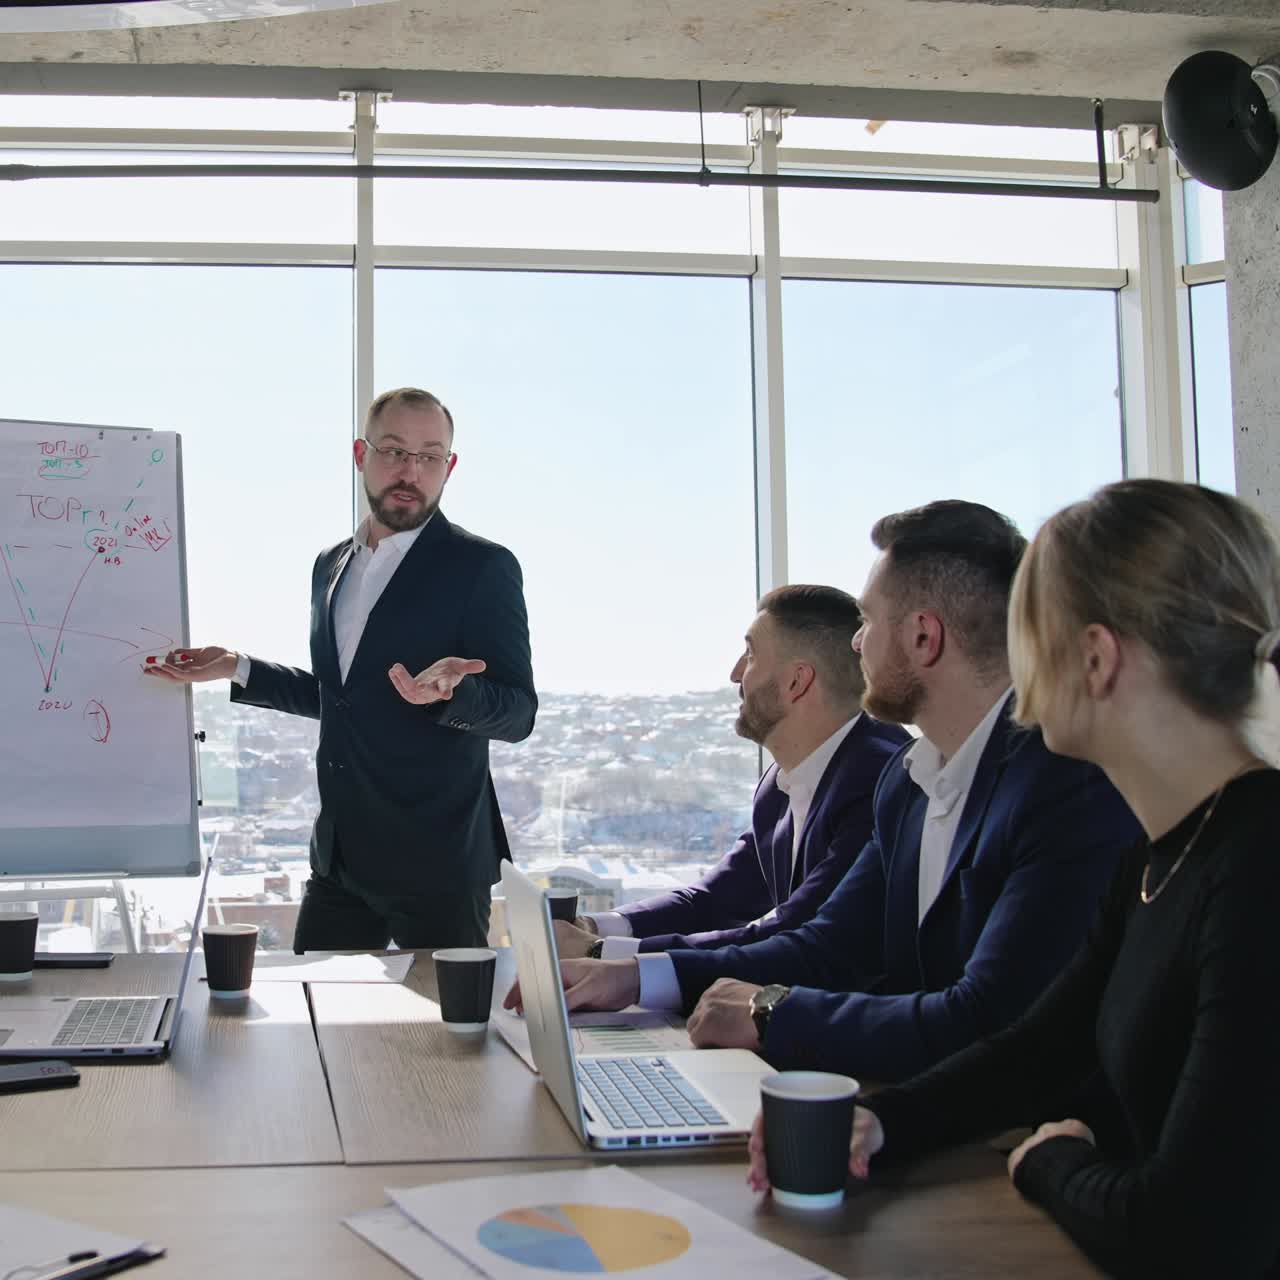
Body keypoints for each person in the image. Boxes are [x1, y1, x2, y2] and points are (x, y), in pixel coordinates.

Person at [750, 479, 1280, 1277]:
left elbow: (1180, 1226)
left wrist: (1048, 1161)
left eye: (1027, 631)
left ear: (1096, 660)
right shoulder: (1158, 854)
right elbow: (1038, 1048)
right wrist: (883, 1122)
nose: (1009, 663)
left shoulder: (1257, 870)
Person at [506, 500, 1139, 1083]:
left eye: (866, 620)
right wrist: (630, 977)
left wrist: (771, 1015)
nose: (856, 642)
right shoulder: (909, 782)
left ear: (924, 637)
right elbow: (829, 945)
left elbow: (990, 1017)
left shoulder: (1063, 783)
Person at [146, 387, 536, 951]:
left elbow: (519, 714)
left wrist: (456, 694)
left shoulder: (483, 567)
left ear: (449, 468)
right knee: (315, 1025)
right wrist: (237, 667)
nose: (411, 470)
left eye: (430, 456)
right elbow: (342, 697)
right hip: (340, 861)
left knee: (442, 1039)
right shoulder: (331, 566)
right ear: (361, 456)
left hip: (439, 864)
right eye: (394, 451)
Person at [553, 585, 910, 960]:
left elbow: (795, 932)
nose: (735, 673)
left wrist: (602, 953)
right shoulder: (779, 785)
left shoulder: (877, 780)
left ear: (796, 682)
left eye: (751, 654)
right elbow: (716, 900)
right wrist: (596, 927)